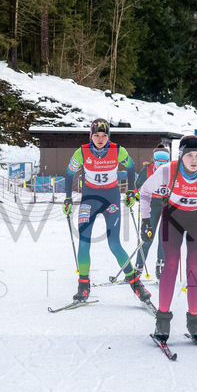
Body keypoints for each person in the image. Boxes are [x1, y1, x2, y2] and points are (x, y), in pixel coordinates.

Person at [140, 136, 197, 342]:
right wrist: (146, 220)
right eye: (189, 155)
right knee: (171, 264)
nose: (194, 160)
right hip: (172, 217)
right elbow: (145, 191)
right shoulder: (167, 170)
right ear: (181, 155)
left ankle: (194, 320)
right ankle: (162, 319)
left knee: (194, 268)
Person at [62, 118, 151, 305]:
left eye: (104, 135)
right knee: (84, 242)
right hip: (89, 200)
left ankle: (136, 284)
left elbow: (131, 167)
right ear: (91, 136)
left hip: (111, 200)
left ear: (108, 136)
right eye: (96, 135)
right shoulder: (82, 152)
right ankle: (83, 285)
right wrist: (68, 198)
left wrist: (131, 191)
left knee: (114, 244)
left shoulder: (118, 150)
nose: (100, 139)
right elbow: (69, 173)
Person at [134, 144, 171, 277]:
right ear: (153, 160)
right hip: (151, 204)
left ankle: (161, 264)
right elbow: (138, 186)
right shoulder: (147, 170)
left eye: (164, 162)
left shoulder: (172, 170)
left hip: (167, 204)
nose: (161, 165)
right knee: (147, 235)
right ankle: (139, 266)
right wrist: (138, 193)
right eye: (158, 162)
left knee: (164, 237)